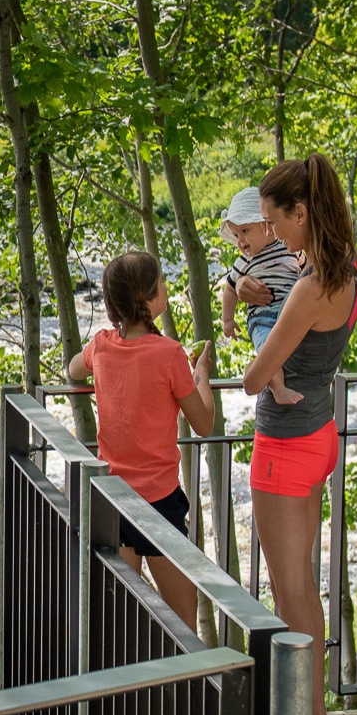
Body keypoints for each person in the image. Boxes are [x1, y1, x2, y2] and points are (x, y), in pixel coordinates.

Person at [238, 154, 357, 715]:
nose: (272, 232)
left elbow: (257, 375)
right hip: (319, 432)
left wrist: (252, 333)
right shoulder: (346, 270)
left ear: (302, 211)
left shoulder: (312, 285)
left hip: (284, 444)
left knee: (292, 596)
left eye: (274, 220)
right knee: (301, 590)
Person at [67, 250, 217, 628]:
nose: (165, 287)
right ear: (150, 299)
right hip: (159, 505)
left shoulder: (101, 345)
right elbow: (204, 424)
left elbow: (73, 370)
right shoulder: (170, 354)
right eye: (161, 283)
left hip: (114, 500)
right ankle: (183, 685)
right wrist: (202, 376)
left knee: (119, 622)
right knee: (184, 619)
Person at [219, 186, 305, 406]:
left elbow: (305, 268)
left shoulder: (288, 247)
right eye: (236, 235)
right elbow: (229, 289)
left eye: (245, 231)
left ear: (265, 225)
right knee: (269, 354)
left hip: (290, 316)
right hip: (262, 319)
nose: (240, 240)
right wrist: (227, 319)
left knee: (289, 350)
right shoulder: (244, 262)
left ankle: (261, 373)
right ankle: (279, 389)